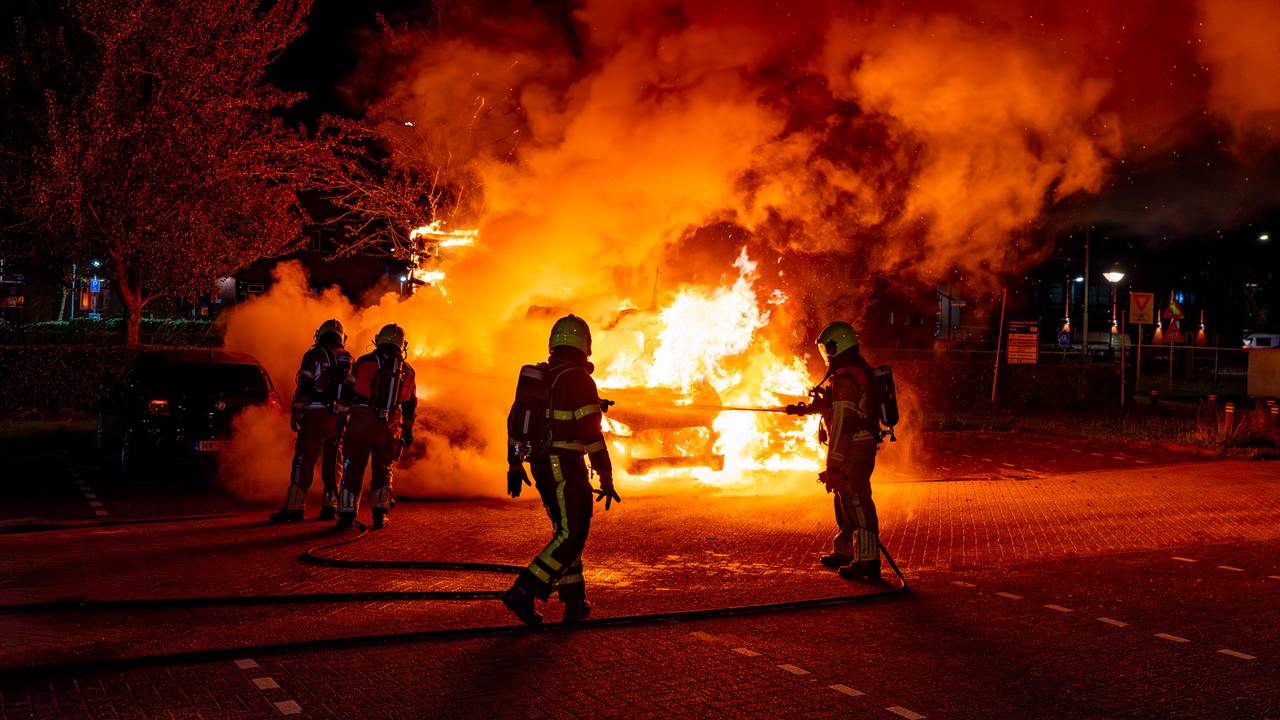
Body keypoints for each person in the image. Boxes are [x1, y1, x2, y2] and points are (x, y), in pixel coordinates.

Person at [501, 314, 621, 625]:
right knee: (573, 532)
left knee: (566, 530)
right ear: (585, 346)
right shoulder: (580, 380)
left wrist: (514, 462)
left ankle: (574, 599)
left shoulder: (542, 377)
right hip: (565, 465)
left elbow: (515, 422)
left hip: (542, 463)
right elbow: (591, 435)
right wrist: (605, 474)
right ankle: (524, 590)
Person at [786, 321, 883, 582]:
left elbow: (841, 424)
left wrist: (834, 464)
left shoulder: (847, 378)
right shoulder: (853, 372)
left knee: (857, 501)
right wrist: (805, 409)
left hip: (854, 449)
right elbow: (836, 408)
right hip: (856, 446)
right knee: (844, 500)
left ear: (836, 346)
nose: (825, 354)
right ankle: (846, 550)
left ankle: (868, 561)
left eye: (826, 349)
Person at [335, 323, 416, 530]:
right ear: (401, 344)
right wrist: (407, 430)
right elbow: (409, 404)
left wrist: (341, 420)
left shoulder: (365, 361)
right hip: (390, 425)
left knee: (353, 466)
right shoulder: (407, 370)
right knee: (383, 468)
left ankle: (346, 515)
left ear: (379, 339)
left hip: (362, 419)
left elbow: (348, 391)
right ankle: (380, 515)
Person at [269, 319, 352, 522]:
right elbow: (351, 391)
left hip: (315, 414)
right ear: (341, 337)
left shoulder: (313, 355)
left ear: (320, 334)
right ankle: (330, 506)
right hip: (338, 417)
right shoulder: (348, 358)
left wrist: (296, 411)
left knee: (304, 460)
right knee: (334, 461)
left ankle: (294, 508)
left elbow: (305, 386)